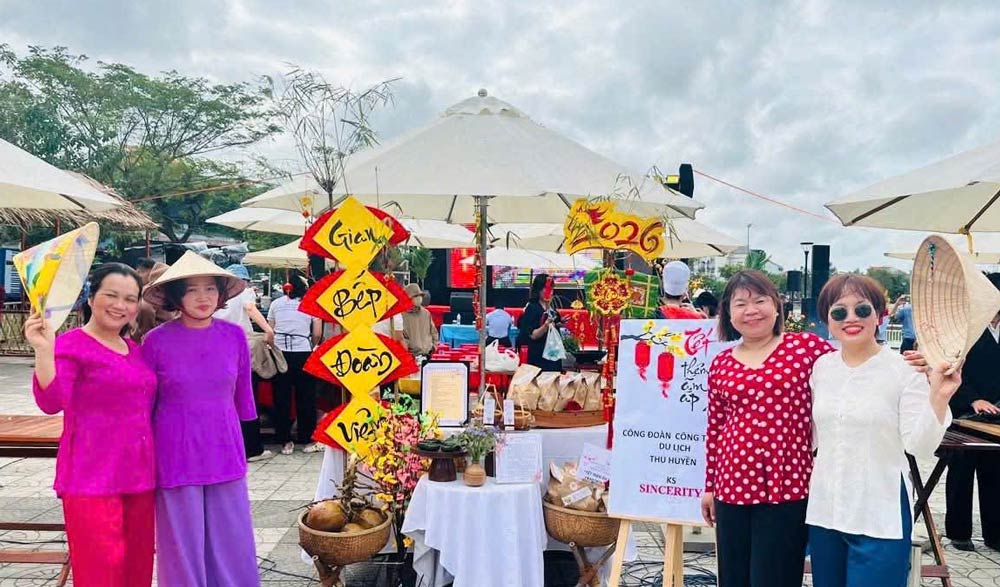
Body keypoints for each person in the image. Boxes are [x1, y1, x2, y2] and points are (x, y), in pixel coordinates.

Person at [807, 274, 957, 586]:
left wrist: (939, 396)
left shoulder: (905, 370)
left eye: (862, 310)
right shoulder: (821, 368)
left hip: (880, 510)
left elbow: (920, 446)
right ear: (827, 319)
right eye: (839, 312)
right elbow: (811, 437)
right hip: (826, 508)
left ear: (879, 315)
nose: (851, 319)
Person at [24, 263, 156, 587]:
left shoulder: (136, 350)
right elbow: (52, 401)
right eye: (111, 295)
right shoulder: (71, 345)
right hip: (90, 478)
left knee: (137, 568)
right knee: (101, 571)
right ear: (91, 296)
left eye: (129, 298)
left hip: (140, 477)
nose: (120, 305)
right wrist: (44, 350)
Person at [702, 270, 834, 587]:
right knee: (733, 575)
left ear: (776, 306)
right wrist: (710, 485)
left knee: (775, 575)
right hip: (731, 483)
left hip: (788, 484)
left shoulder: (806, 349)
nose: (751, 310)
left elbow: (853, 367)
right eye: (740, 303)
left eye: (760, 300)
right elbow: (716, 428)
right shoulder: (722, 362)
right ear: (728, 313)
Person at [141, 252, 260, 586]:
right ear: (177, 297)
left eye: (210, 288)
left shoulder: (234, 336)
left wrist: (250, 439)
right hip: (175, 450)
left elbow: (244, 397)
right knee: (182, 540)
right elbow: (145, 402)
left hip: (224, 445)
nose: (203, 297)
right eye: (192, 290)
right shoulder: (155, 342)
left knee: (232, 535)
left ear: (221, 294)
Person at [945, 272, 1000, 552]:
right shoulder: (965, 327)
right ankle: (958, 532)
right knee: (962, 472)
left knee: (995, 474)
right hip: (965, 410)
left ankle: (994, 534)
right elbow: (950, 367)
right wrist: (973, 399)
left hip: (997, 413)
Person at [214, 264, 276, 463]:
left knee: (225, 399)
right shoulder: (244, 291)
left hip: (218, 350)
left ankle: (229, 446)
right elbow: (250, 308)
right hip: (241, 348)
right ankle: (252, 448)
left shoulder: (218, 294)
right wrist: (268, 330)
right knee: (247, 396)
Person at [267, 271, 322, 455]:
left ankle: (285, 441)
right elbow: (317, 334)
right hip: (303, 352)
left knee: (281, 398)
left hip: (281, 353)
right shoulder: (311, 305)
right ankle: (307, 440)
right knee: (306, 398)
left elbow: (271, 330)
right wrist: (310, 344)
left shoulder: (275, 304)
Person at [517, 273, 563, 372]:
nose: (549, 292)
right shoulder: (532, 308)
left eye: (551, 289)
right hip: (539, 359)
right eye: (546, 289)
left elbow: (555, 325)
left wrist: (558, 324)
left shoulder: (552, 309)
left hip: (553, 356)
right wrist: (545, 326)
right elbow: (533, 335)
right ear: (538, 290)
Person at [401, 283, 439, 356]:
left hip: (427, 355)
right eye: (416, 296)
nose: (419, 298)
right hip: (411, 357)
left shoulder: (426, 313)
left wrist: (433, 347)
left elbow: (434, 332)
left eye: (420, 296)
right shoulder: (402, 315)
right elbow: (401, 337)